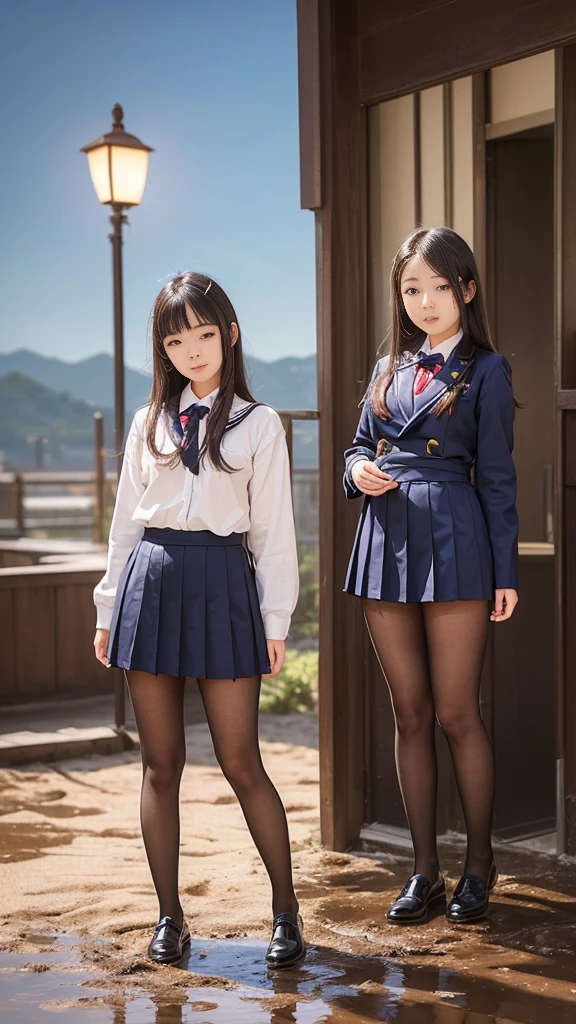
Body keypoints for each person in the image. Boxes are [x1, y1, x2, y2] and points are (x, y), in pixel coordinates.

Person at [93, 272, 304, 967]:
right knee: (160, 764)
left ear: (230, 334)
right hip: (149, 584)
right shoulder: (147, 423)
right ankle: (169, 917)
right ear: (163, 347)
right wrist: (107, 607)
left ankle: (285, 912)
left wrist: (276, 622)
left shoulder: (258, 424)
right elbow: (125, 526)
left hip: (222, 585)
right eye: (177, 338)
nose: (193, 350)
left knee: (242, 762)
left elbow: (275, 534)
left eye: (205, 334)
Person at [344, 226, 518, 925]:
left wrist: (505, 571)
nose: (424, 301)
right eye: (411, 289)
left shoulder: (488, 370)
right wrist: (356, 470)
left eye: (438, 287)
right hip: (384, 540)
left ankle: (480, 864)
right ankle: (425, 872)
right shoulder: (388, 366)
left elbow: (499, 477)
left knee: (454, 713)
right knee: (408, 713)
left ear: (466, 290)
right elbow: (358, 444)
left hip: (455, 539)